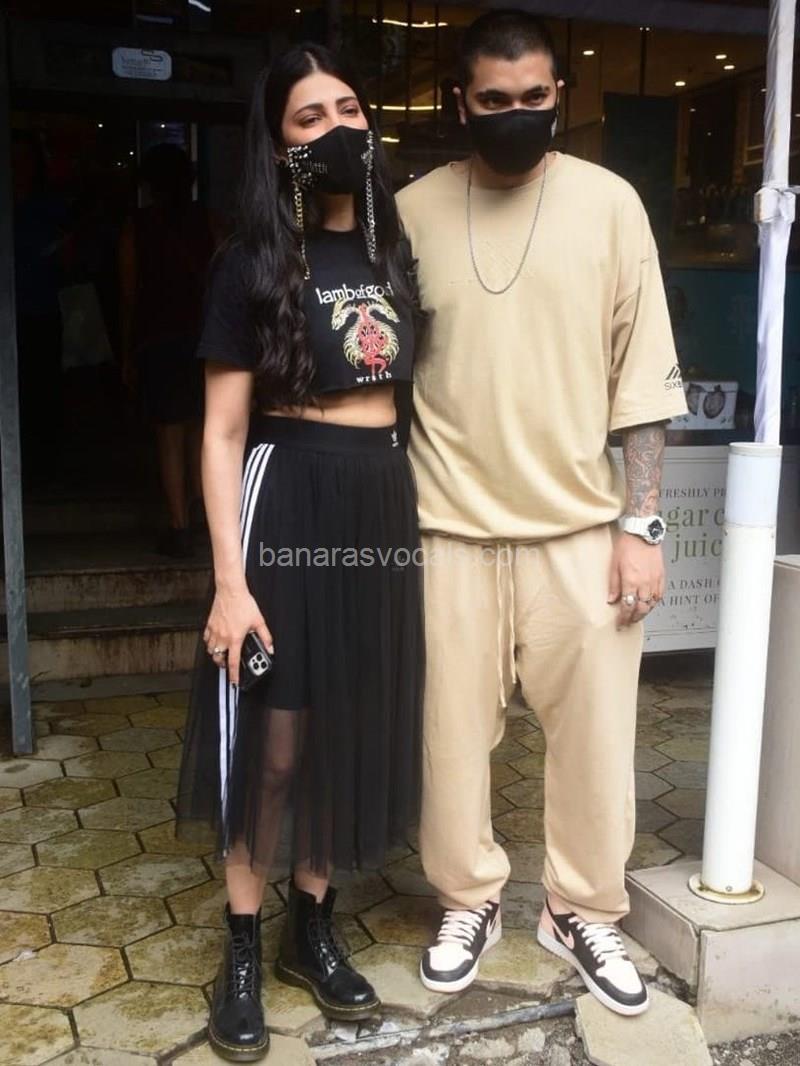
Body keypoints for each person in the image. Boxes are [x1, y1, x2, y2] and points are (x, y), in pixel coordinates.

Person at [397, 9, 687, 1017]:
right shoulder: (411, 210)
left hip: (580, 530)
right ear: (460, 102)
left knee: (598, 739)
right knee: (446, 739)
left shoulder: (610, 206)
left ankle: (580, 909)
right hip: (445, 526)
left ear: (560, 95)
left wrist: (641, 526)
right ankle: (466, 898)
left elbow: (643, 378)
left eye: (533, 97)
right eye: (494, 100)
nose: (514, 114)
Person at [175, 44, 423, 1062]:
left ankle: (307, 928)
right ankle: (241, 944)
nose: (336, 129)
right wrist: (229, 585)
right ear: (277, 147)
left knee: (342, 725)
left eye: (348, 108)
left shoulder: (391, 254)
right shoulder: (249, 263)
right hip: (286, 501)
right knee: (275, 737)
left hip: (377, 503)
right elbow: (222, 432)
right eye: (308, 118)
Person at [119, 144, 220, 558]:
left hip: (158, 339)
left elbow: (128, 296)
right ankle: (206, 520)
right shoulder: (210, 222)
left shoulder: (137, 227)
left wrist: (127, 353)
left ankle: (179, 525)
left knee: (169, 435)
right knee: (200, 431)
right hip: (205, 340)